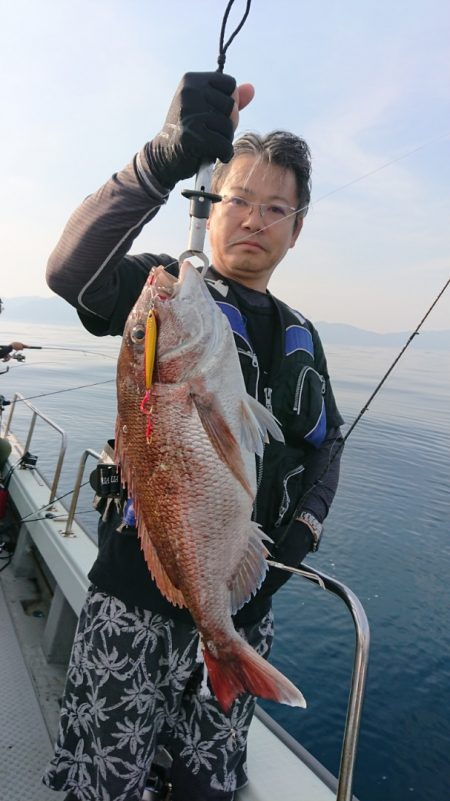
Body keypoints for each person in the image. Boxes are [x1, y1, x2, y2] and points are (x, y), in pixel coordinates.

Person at [43, 71, 344, 801]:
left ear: (297, 228)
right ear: (212, 206)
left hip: (242, 609)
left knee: (207, 783)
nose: (253, 219)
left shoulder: (303, 335)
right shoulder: (169, 294)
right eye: (239, 198)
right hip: (134, 599)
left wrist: (302, 530)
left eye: (275, 207)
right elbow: (71, 273)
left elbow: (326, 444)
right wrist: (160, 159)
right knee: (105, 781)